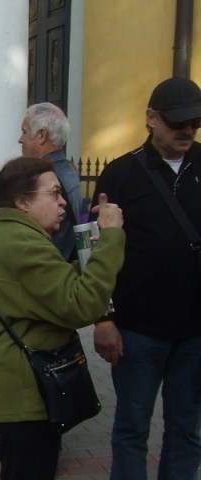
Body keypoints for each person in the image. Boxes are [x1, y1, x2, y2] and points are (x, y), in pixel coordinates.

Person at [0, 156, 125, 480]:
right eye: (54, 193)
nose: (63, 202)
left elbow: (52, 288)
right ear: (23, 202)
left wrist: (94, 256)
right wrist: (113, 238)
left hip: (20, 394)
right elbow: (82, 304)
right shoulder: (24, 244)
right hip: (23, 398)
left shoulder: (16, 236)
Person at [91, 76, 201, 480]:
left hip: (195, 333)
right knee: (132, 428)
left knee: (187, 431)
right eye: (177, 122)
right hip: (137, 331)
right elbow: (92, 250)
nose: (187, 130)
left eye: (195, 122)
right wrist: (103, 318)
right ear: (151, 118)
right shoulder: (121, 173)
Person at [18, 102, 83, 260]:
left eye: (24, 132)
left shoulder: (45, 177)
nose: (20, 139)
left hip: (49, 265)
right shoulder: (69, 171)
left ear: (41, 135)